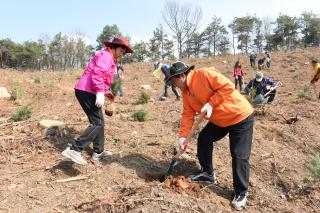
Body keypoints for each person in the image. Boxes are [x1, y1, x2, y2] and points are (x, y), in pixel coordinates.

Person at [167, 61, 254, 210]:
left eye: (173, 82)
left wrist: (212, 103)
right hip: (220, 120)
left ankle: (241, 192)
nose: (173, 85)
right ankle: (207, 173)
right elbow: (188, 114)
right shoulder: (186, 93)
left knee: (238, 154)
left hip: (239, 115)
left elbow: (228, 87)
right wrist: (183, 137)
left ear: (181, 76)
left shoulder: (204, 74)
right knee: (204, 139)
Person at [61, 36, 133, 165]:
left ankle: (98, 151)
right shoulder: (106, 56)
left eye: (123, 52)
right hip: (86, 91)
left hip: (90, 91)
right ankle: (74, 150)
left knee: (99, 122)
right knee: (97, 122)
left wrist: (105, 92)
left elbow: (103, 78)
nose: (122, 54)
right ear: (114, 47)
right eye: (121, 51)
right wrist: (100, 91)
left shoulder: (109, 58)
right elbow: (97, 73)